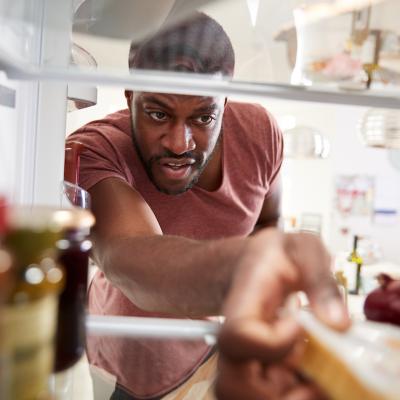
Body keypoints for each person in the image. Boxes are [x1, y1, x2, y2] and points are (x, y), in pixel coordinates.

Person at [67, 12, 349, 400]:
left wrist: (254, 311)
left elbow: (267, 220)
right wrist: (254, 274)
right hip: (118, 368)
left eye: (203, 116)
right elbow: (127, 255)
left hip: (210, 356)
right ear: (130, 96)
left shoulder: (260, 134)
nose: (179, 143)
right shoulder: (96, 148)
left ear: (225, 104)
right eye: (158, 113)